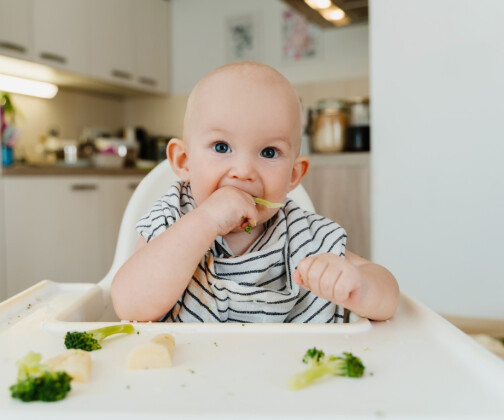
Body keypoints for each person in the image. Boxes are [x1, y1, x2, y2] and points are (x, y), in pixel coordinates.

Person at [111, 62, 398, 323]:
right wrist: (207, 219)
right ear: (184, 161)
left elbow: (388, 296)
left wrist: (359, 288)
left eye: (269, 152)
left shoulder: (302, 235)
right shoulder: (172, 217)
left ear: (293, 175)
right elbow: (130, 305)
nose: (244, 170)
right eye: (221, 147)